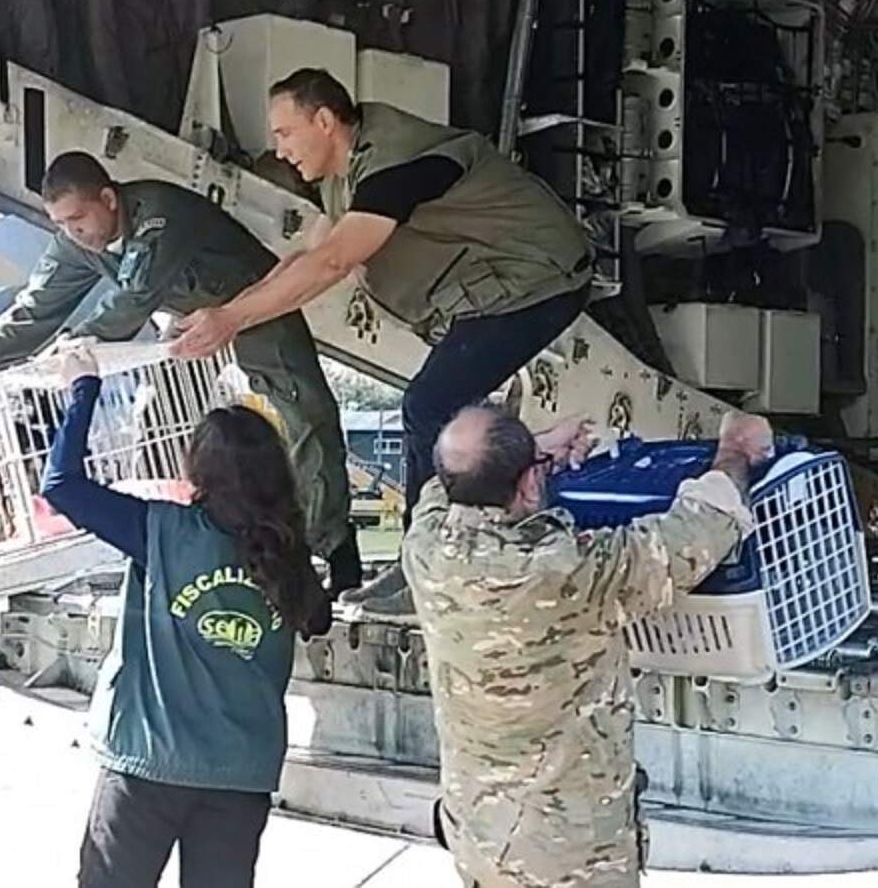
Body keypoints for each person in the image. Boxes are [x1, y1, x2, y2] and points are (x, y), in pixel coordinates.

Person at [171, 68, 595, 616]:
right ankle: (439, 556)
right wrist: (224, 315)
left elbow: (333, 262)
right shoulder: (343, 174)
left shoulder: (394, 165)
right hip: (498, 294)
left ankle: (430, 566)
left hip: (541, 280)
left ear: (325, 121)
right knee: (445, 412)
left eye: (285, 132)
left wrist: (230, 319)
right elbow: (304, 259)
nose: (278, 149)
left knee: (428, 406)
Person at [0, 151, 360, 597]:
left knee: (305, 411)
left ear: (109, 199)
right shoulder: (76, 244)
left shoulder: (159, 216)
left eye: (78, 218)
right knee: (160, 425)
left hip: (252, 304)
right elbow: (34, 310)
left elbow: (133, 300)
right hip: (186, 328)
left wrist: (77, 346)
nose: (74, 232)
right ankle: (187, 547)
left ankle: (333, 547)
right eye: (61, 224)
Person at [402, 406, 770, 888]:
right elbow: (697, 532)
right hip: (570, 860)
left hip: (481, 840)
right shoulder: (562, 573)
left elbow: (449, 481)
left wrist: (537, 454)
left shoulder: (425, 547)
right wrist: (736, 448)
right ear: (528, 485)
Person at [40, 342, 332, 888]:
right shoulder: (289, 553)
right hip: (242, 773)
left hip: (149, 764)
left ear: (198, 469)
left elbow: (60, 484)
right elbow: (317, 621)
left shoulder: (160, 531)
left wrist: (83, 388)